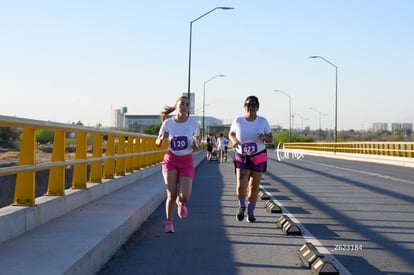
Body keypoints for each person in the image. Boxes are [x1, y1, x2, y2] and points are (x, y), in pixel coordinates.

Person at [155, 96, 200, 233]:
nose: (184, 106)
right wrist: (162, 139)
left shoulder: (193, 123)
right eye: (182, 104)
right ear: (176, 106)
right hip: (171, 160)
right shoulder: (168, 123)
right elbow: (157, 143)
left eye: (187, 104)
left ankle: (181, 204)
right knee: (171, 194)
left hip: (186, 161)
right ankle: (169, 223)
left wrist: (195, 144)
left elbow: (197, 143)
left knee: (184, 196)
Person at [228, 95, 272, 223]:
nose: (250, 108)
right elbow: (231, 133)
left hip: (258, 156)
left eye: (253, 106)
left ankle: (251, 211)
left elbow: (270, 138)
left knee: (254, 186)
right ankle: (242, 206)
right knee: (241, 185)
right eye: (248, 105)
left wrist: (264, 137)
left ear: (257, 108)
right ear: (244, 107)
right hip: (242, 156)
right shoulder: (238, 120)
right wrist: (234, 140)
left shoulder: (263, 121)